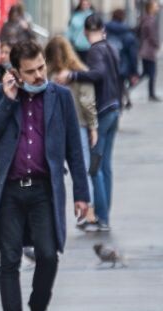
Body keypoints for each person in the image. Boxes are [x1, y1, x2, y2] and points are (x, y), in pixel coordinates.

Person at [0, 40, 90, 311]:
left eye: (42, 67)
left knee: (47, 254)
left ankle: (38, 307)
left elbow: (74, 151)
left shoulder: (61, 97)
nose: (40, 75)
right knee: (9, 260)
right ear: (16, 72)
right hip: (11, 191)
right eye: (31, 71)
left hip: (44, 189)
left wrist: (82, 194)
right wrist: (8, 101)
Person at [55, 13, 122, 232]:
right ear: (102, 28)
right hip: (114, 109)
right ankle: (105, 214)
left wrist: (73, 76)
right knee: (106, 166)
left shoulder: (94, 51)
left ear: (84, 32)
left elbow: (98, 73)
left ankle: (101, 217)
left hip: (102, 113)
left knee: (95, 167)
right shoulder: (110, 47)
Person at [45, 36, 98, 228]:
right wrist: (93, 126)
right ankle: (89, 213)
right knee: (82, 168)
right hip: (79, 125)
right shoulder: (79, 72)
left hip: (53, 127)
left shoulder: (46, 75)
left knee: (51, 169)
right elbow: (87, 101)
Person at [106, 9, 140, 108]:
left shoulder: (105, 32)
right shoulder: (128, 34)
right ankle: (117, 111)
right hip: (122, 66)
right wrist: (134, 72)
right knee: (119, 89)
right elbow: (133, 55)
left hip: (107, 65)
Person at [139, 1, 160, 101]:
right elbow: (152, 36)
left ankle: (151, 94)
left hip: (146, 50)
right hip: (148, 51)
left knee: (147, 73)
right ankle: (151, 94)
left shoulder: (147, 19)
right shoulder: (150, 20)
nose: (158, 8)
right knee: (150, 73)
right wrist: (157, 45)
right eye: (156, 6)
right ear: (151, 8)